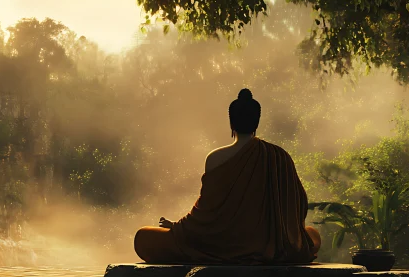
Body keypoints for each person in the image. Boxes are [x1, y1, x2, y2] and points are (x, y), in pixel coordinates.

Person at [133, 89, 321, 264]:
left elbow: (205, 214)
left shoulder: (216, 158)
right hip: (268, 245)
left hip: (219, 245)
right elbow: (297, 207)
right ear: (257, 122)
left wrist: (176, 227)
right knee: (313, 235)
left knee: (143, 237)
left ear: (231, 123)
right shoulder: (279, 156)